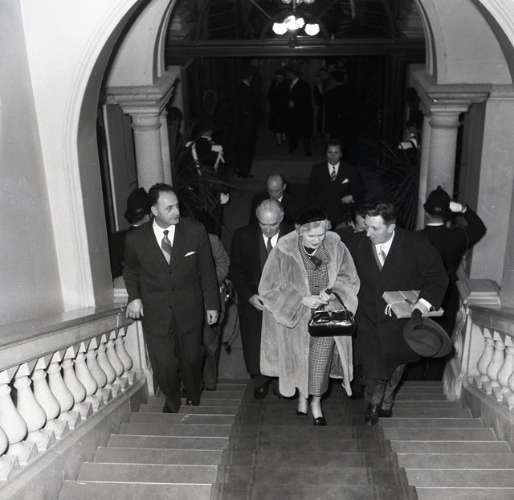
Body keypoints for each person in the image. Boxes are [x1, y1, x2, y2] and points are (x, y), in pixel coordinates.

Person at [348, 202, 448, 425]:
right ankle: (374, 404)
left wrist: (422, 306)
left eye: (374, 228)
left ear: (391, 227)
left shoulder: (416, 244)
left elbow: (437, 277)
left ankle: (388, 397)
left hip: (401, 319)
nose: (368, 233)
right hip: (368, 317)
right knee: (374, 365)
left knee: (396, 364)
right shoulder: (356, 243)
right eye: (366, 226)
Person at [123, 183, 220, 412]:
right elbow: (130, 270)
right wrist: (134, 297)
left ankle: (193, 392)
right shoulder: (135, 239)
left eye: (177, 206)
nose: (176, 211)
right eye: (169, 208)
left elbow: (207, 270)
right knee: (163, 363)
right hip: (155, 312)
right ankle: (172, 399)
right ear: (154, 211)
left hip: (190, 308)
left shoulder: (195, 231)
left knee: (192, 358)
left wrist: (212, 305)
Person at [258, 208, 360, 425]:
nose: (317, 240)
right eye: (312, 236)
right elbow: (268, 288)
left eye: (321, 234)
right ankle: (302, 396)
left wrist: (332, 293)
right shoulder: (283, 250)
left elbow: (349, 278)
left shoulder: (336, 246)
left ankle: (316, 402)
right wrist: (301, 300)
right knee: (300, 361)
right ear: (300, 231)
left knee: (320, 362)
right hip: (296, 318)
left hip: (327, 315)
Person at [410, 186, 486, 379]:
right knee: (441, 336)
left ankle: (415, 378)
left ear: (426, 212)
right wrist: (463, 209)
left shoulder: (415, 238)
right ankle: (434, 380)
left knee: (418, 334)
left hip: (419, 293)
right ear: (447, 214)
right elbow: (479, 228)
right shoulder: (457, 236)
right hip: (448, 294)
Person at [230, 199, 292, 399]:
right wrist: (249, 296)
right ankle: (260, 380)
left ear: (281, 218)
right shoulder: (242, 236)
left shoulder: (294, 236)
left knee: (283, 341)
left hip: (284, 302)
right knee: (254, 340)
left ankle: (282, 379)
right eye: (263, 224)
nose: (268, 230)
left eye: (273, 224)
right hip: (254, 301)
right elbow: (236, 270)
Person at [309, 139, 365, 227]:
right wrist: (317, 216)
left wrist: (352, 196)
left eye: (336, 153)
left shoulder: (350, 170)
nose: (332, 156)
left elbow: (360, 190)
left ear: (341, 154)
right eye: (330, 152)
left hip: (343, 216)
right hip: (322, 215)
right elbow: (311, 193)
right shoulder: (317, 169)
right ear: (325, 153)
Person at [203, 231, 231, 391]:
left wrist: (211, 281)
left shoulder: (211, 240)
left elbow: (223, 262)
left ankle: (209, 380)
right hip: (185, 300)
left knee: (210, 341)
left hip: (211, 298)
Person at [234, 67, 259, 178]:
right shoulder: (244, 89)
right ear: (250, 77)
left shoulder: (240, 88)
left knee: (242, 148)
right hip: (246, 125)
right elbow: (247, 108)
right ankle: (244, 171)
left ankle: (241, 169)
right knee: (246, 148)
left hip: (243, 124)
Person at [284, 67, 313, 156]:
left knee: (304, 132)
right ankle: (292, 147)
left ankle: (307, 150)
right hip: (291, 112)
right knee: (291, 130)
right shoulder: (288, 83)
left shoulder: (304, 85)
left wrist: (295, 103)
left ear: (294, 74)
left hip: (302, 112)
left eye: (288, 73)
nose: (287, 75)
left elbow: (306, 99)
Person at [267, 69, 289, 145]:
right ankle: (279, 141)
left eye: (280, 77)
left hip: (283, 108)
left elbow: (286, 96)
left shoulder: (286, 85)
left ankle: (283, 138)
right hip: (275, 108)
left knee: (282, 124)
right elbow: (269, 94)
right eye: (277, 77)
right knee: (277, 125)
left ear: (283, 77)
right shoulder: (273, 84)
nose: (279, 78)